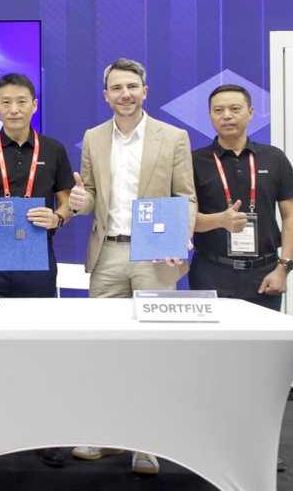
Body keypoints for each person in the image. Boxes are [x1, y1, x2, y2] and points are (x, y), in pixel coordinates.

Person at [68, 58, 196, 475]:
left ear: (145, 91)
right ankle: (106, 435)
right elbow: (89, 193)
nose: (125, 94)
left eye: (132, 86)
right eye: (117, 88)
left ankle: (148, 443)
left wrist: (177, 237)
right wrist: (80, 201)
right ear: (105, 95)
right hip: (107, 254)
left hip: (154, 254)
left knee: (152, 351)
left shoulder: (172, 137)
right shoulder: (93, 137)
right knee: (104, 349)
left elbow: (186, 197)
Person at [191, 84, 293, 309]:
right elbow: (184, 219)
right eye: (218, 110)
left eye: (235, 109)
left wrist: (283, 268)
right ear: (210, 115)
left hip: (265, 273)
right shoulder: (194, 161)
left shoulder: (274, 158)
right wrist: (221, 220)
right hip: (211, 272)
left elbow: (291, 217)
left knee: (263, 334)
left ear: (251, 112)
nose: (227, 116)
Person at [0, 73, 74, 298]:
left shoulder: (54, 149)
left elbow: (67, 204)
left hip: (37, 248)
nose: (14, 109)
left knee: (37, 318)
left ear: (34, 105)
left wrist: (57, 218)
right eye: (6, 102)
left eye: (21, 101)